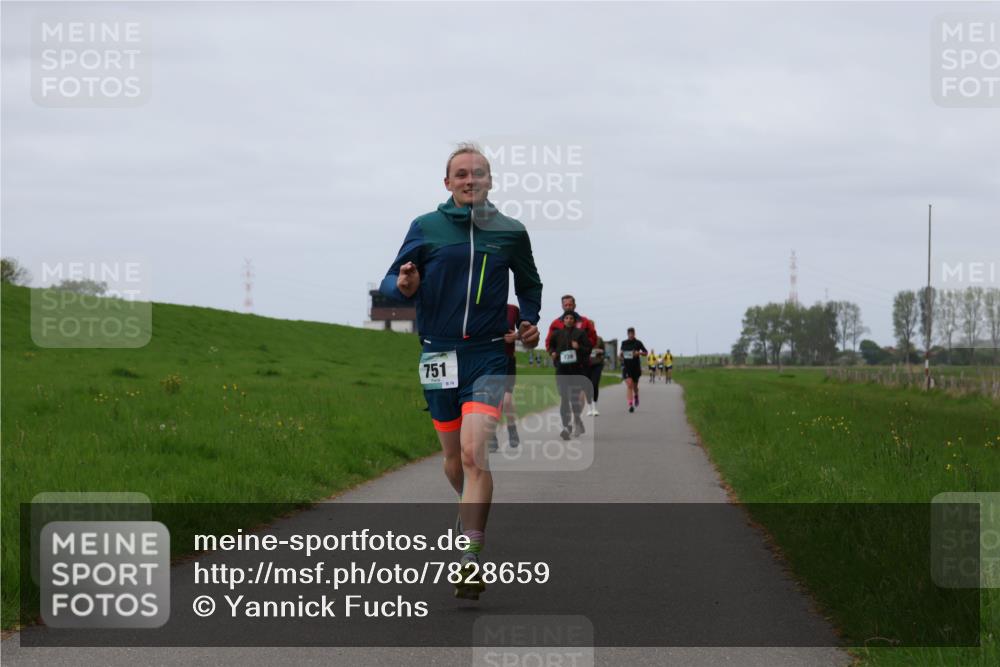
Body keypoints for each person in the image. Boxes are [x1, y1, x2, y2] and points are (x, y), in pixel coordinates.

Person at [380, 143, 542, 600]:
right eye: (462, 174)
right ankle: (466, 503)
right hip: (437, 353)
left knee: (474, 454)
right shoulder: (425, 227)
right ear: (447, 183)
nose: (471, 180)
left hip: (488, 355)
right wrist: (406, 284)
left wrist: (530, 320)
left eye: (480, 173)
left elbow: (530, 285)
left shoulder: (511, 232)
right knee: (453, 461)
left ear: (491, 180)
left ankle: (470, 558)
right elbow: (393, 281)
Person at [547, 311, 592, 439]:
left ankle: (577, 420)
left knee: (574, 399)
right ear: (563, 320)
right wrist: (553, 353)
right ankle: (566, 426)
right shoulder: (556, 334)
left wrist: (578, 347)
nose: (569, 320)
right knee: (564, 398)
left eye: (571, 318)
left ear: (575, 320)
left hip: (576, 371)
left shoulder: (580, 334)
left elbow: (588, 349)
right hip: (561, 370)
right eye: (566, 318)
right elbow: (551, 347)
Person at [487, 304, 522, 452]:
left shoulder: (513, 309)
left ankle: (512, 429)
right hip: (487, 360)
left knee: (506, 401)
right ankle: (491, 436)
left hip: (507, 360)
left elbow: (525, 331)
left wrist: (516, 336)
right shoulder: (482, 307)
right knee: (492, 401)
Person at [618, 327, 648, 412]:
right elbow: (621, 354)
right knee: (629, 385)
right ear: (627, 334)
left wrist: (639, 353)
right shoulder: (624, 343)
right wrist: (620, 356)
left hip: (635, 367)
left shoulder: (638, 343)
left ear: (634, 334)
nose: (631, 335)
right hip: (626, 367)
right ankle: (630, 405)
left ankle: (636, 396)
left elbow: (646, 352)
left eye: (632, 333)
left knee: (635, 387)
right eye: (629, 333)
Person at [585, 334, 605, 416]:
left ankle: (595, 408)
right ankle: (589, 408)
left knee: (595, 384)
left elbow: (604, 351)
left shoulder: (599, 339)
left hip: (597, 364)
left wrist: (599, 351)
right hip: (586, 364)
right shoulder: (582, 338)